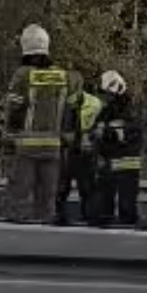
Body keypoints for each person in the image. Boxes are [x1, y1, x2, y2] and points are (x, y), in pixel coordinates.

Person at [3, 24, 83, 222]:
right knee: (47, 200)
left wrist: (9, 135)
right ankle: (44, 242)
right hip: (54, 148)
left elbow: (14, 109)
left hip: (26, 148)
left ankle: (15, 240)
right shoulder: (66, 77)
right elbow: (73, 111)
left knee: (19, 196)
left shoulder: (23, 75)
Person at [90, 70, 143, 226]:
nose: (105, 98)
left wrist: (105, 133)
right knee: (104, 204)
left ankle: (126, 225)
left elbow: (124, 135)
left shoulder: (130, 110)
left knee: (126, 204)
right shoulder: (108, 110)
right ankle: (105, 220)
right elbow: (98, 129)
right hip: (110, 162)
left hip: (125, 163)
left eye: (107, 94)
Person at [56, 82, 103, 225]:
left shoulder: (71, 101)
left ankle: (61, 214)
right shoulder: (95, 103)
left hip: (75, 148)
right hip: (82, 148)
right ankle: (88, 215)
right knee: (85, 186)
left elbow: (66, 127)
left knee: (67, 185)